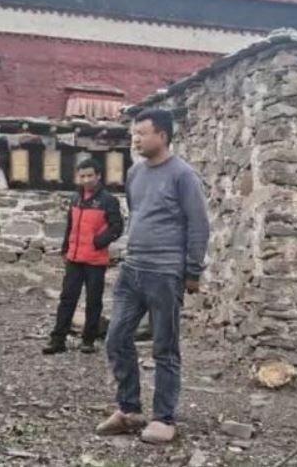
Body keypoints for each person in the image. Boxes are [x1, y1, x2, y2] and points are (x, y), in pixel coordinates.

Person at [97, 109, 210, 444]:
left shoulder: (183, 175)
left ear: (162, 135)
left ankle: (164, 418)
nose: (136, 139)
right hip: (133, 269)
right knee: (116, 338)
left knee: (165, 347)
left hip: (165, 272)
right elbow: (137, 213)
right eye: (134, 133)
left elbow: (198, 225)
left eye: (142, 133)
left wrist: (192, 271)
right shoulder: (135, 173)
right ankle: (129, 410)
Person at [43, 159, 124, 355]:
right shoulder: (75, 198)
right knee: (67, 298)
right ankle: (58, 339)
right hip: (74, 258)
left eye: (90, 176)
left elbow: (117, 227)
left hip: (95, 260)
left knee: (93, 300)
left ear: (98, 176)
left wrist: (99, 242)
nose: (86, 180)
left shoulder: (108, 200)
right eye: (82, 176)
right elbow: (70, 226)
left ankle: (88, 339)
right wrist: (65, 249)